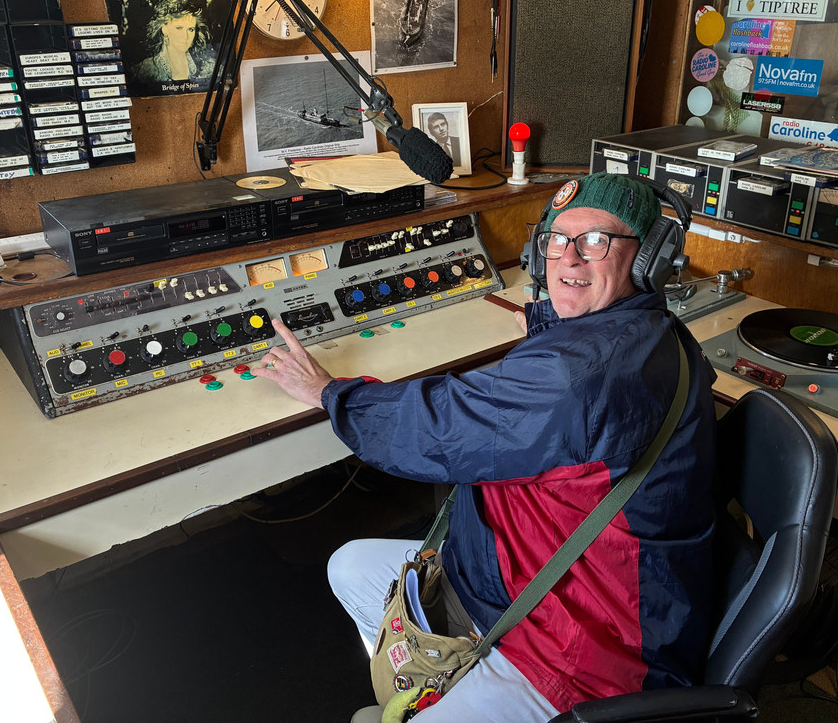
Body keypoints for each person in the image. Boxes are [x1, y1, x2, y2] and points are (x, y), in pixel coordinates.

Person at [250, 173, 717, 723]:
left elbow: (436, 427)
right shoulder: (643, 332)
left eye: (596, 241)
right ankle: (437, 685)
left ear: (649, 260)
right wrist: (546, 325)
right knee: (350, 566)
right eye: (556, 241)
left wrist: (326, 392)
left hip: (579, 649)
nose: (568, 260)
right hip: (508, 569)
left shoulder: (576, 377)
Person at [128, 0, 215, 88]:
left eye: (190, 29)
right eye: (179, 28)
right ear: (164, 29)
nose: (185, 36)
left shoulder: (210, 67)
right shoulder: (142, 71)